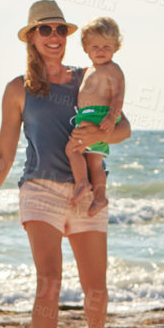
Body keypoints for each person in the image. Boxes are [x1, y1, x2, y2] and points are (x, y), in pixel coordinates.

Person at [0, 0, 131, 328]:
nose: (54, 36)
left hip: (88, 193)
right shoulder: (18, 89)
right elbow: (4, 154)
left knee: (96, 286)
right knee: (50, 282)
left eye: (60, 29)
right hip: (39, 190)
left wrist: (101, 132)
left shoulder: (87, 76)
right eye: (46, 29)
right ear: (31, 37)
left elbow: (124, 129)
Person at [68, 16, 126, 216]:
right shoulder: (91, 70)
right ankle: (100, 198)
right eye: (95, 47)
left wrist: (112, 116)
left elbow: (118, 96)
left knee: (72, 149)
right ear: (85, 47)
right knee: (95, 162)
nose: (100, 51)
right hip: (92, 115)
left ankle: (82, 183)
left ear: (116, 47)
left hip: (97, 115)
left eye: (106, 47)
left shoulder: (113, 69)